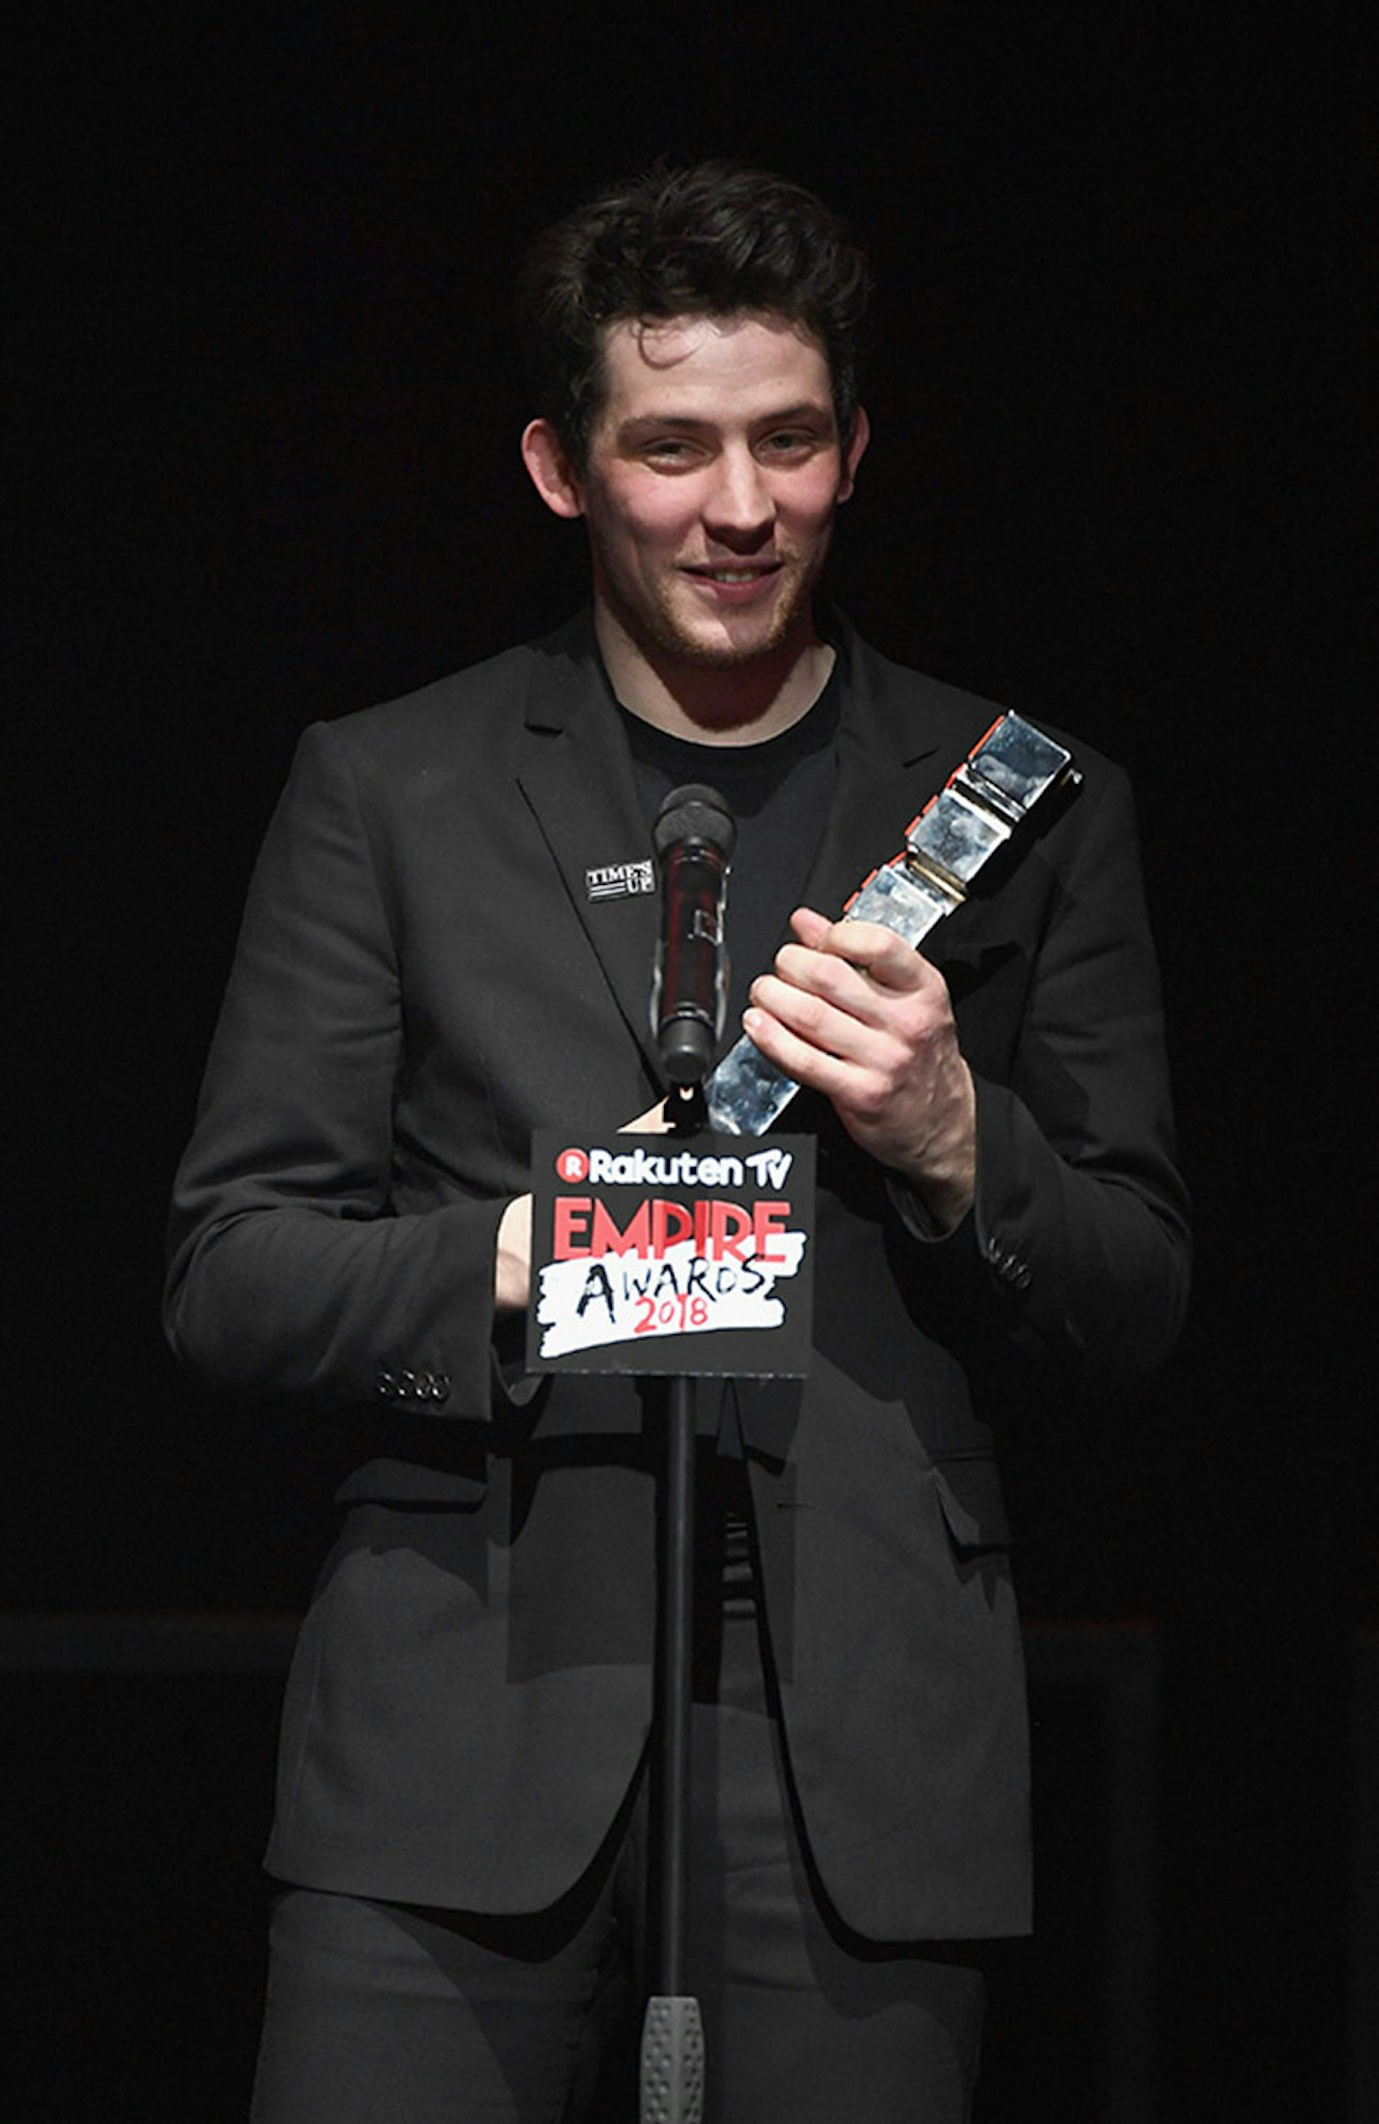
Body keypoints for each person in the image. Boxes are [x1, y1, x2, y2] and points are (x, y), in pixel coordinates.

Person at [165, 161, 1190, 2122]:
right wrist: (539, 1247)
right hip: (461, 1733)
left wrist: (960, 1139)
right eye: (675, 447)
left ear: (857, 447)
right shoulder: (391, 788)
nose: (740, 508)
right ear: (563, 467)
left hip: (864, 1767)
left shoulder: (1026, 807)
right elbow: (231, 1277)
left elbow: (1141, 1302)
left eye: (789, 442)